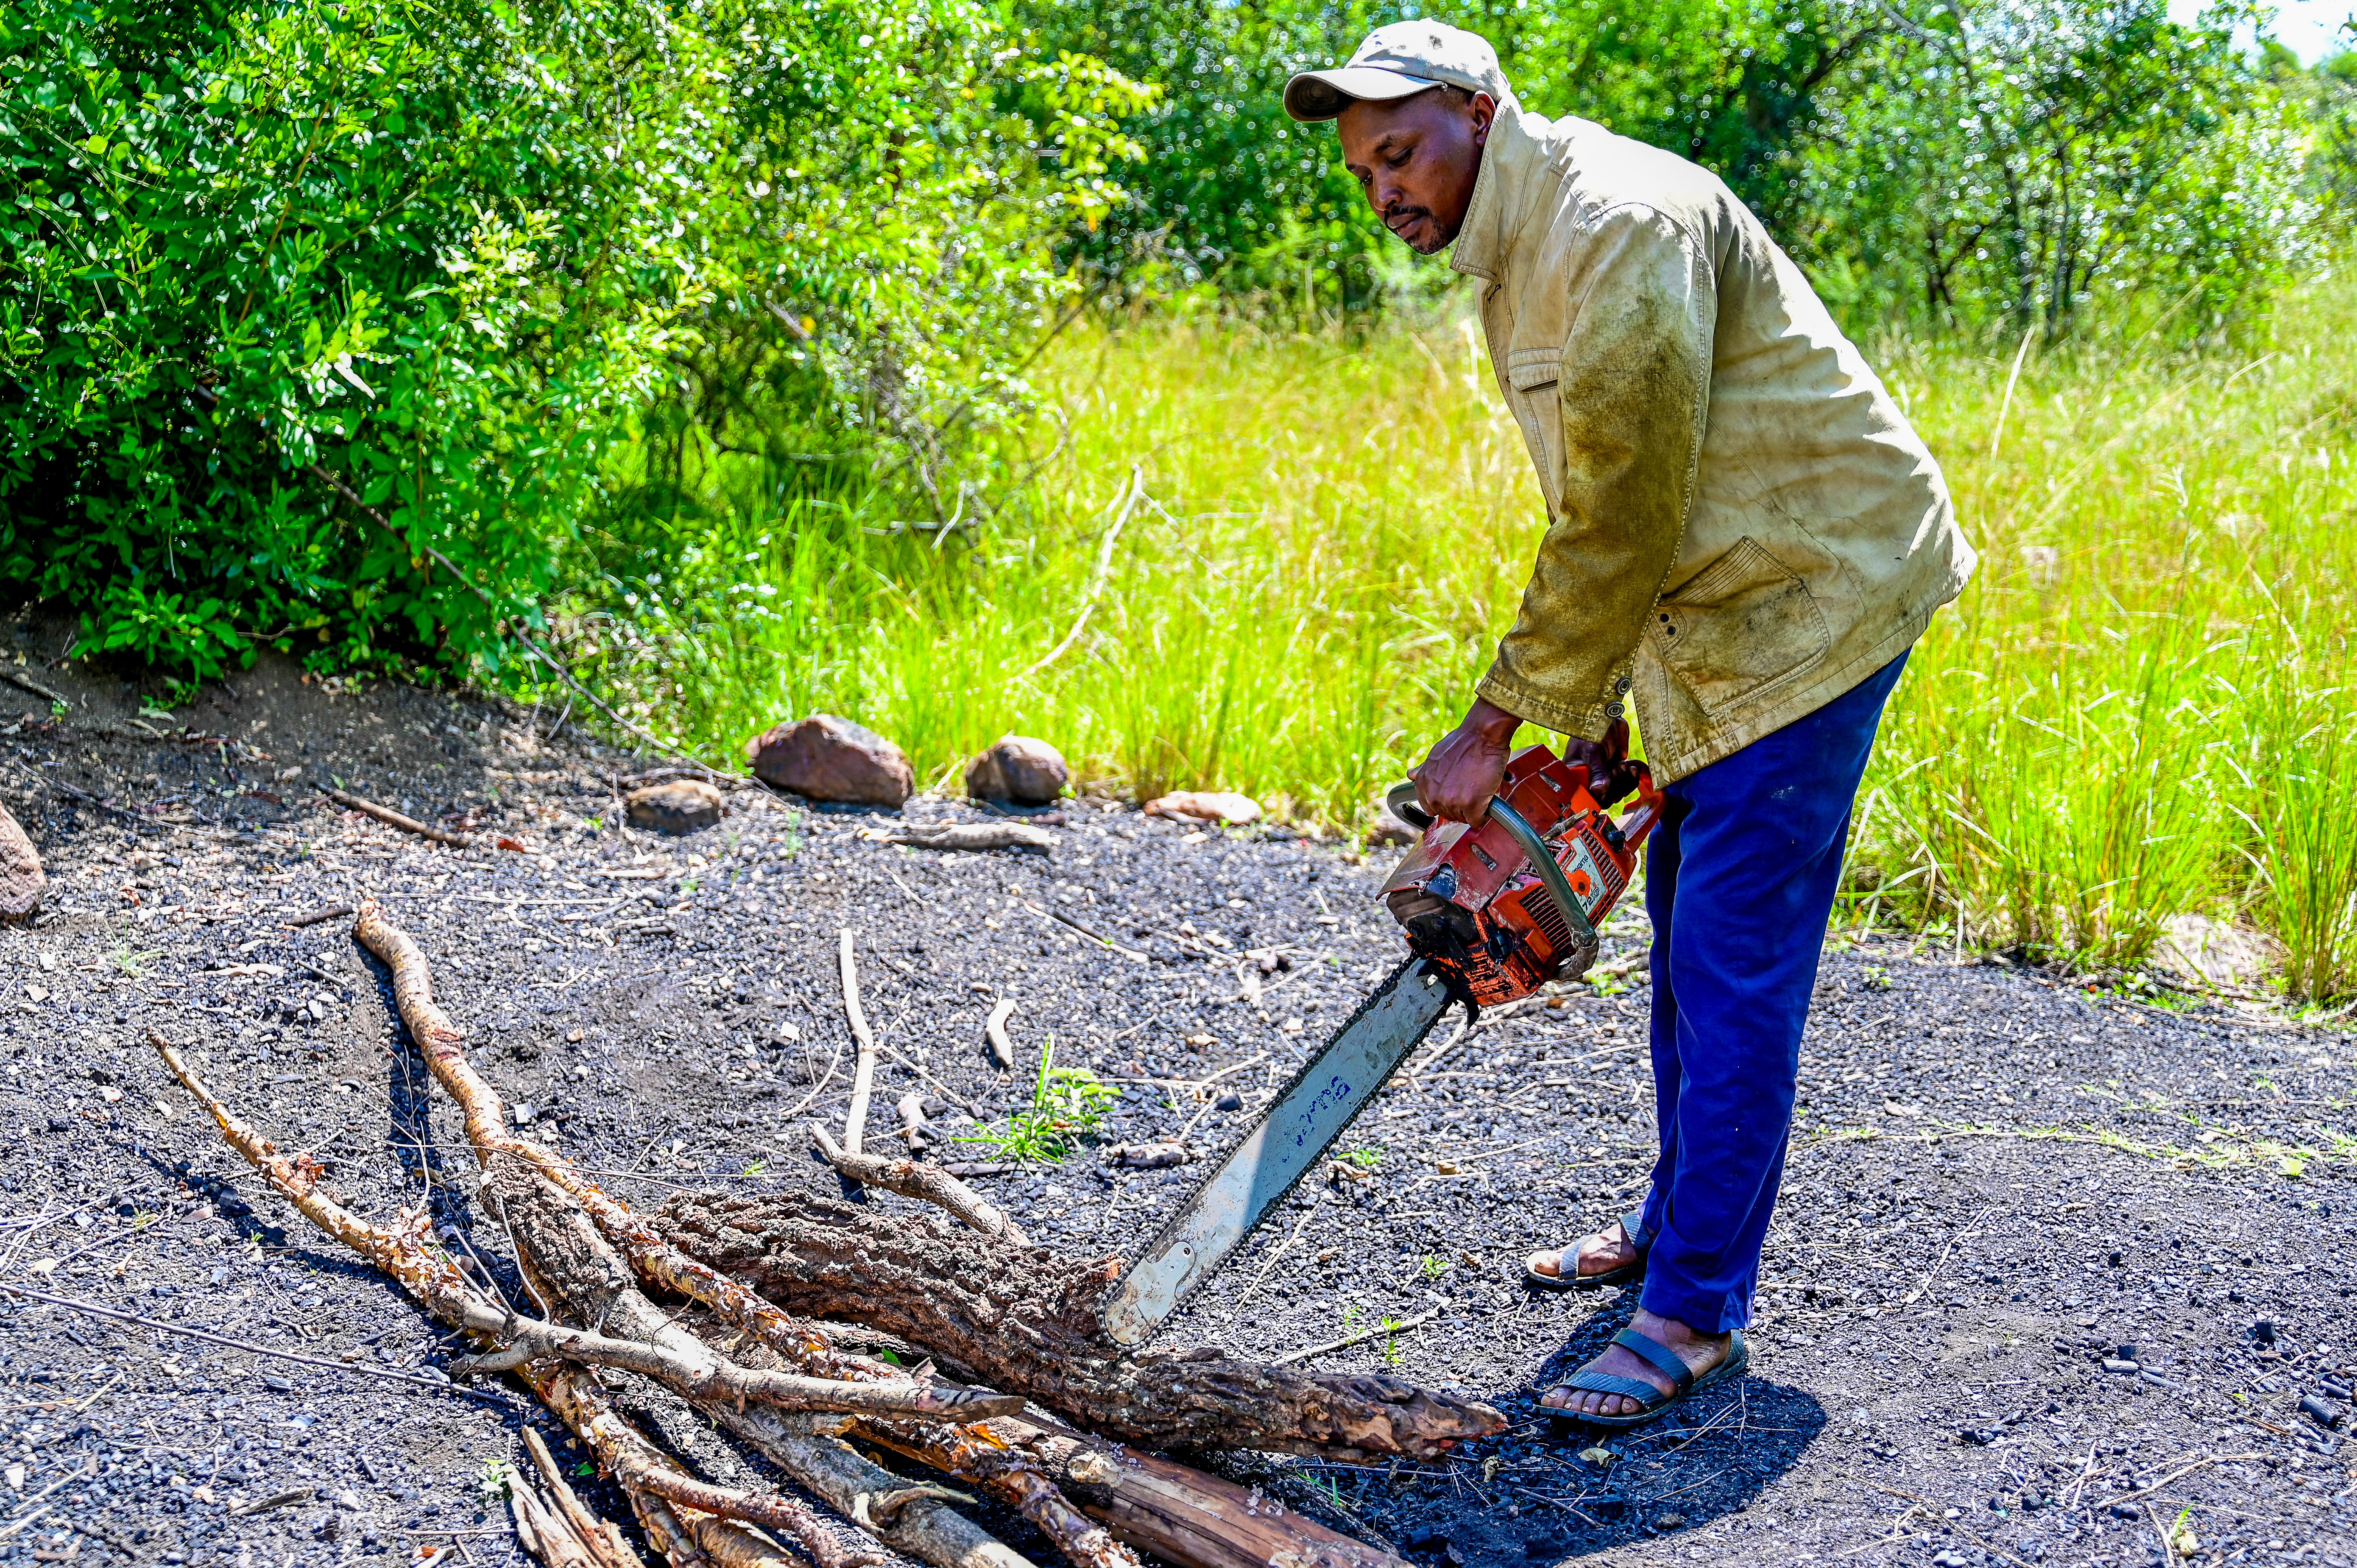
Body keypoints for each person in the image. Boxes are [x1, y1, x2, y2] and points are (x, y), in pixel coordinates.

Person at [1284, 22, 1976, 1427]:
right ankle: (1674, 1231)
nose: (1387, 193)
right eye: (1365, 174)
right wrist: (1587, 721)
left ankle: (1696, 1309)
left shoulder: (1615, 226)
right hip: (1716, 599)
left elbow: (1617, 519)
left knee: (1733, 959)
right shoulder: (1512, 241)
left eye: (1402, 154)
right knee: (1674, 925)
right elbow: (1618, 499)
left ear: (1481, 112)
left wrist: (1501, 724)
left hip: (1817, 590)